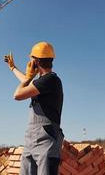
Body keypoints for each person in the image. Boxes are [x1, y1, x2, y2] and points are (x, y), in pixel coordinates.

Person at [4, 41, 64, 175]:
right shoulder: (42, 83)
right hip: (32, 139)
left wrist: (29, 77)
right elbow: (27, 81)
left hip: (46, 139)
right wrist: (13, 68)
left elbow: (18, 94)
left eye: (31, 58)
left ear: (36, 62)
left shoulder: (50, 80)